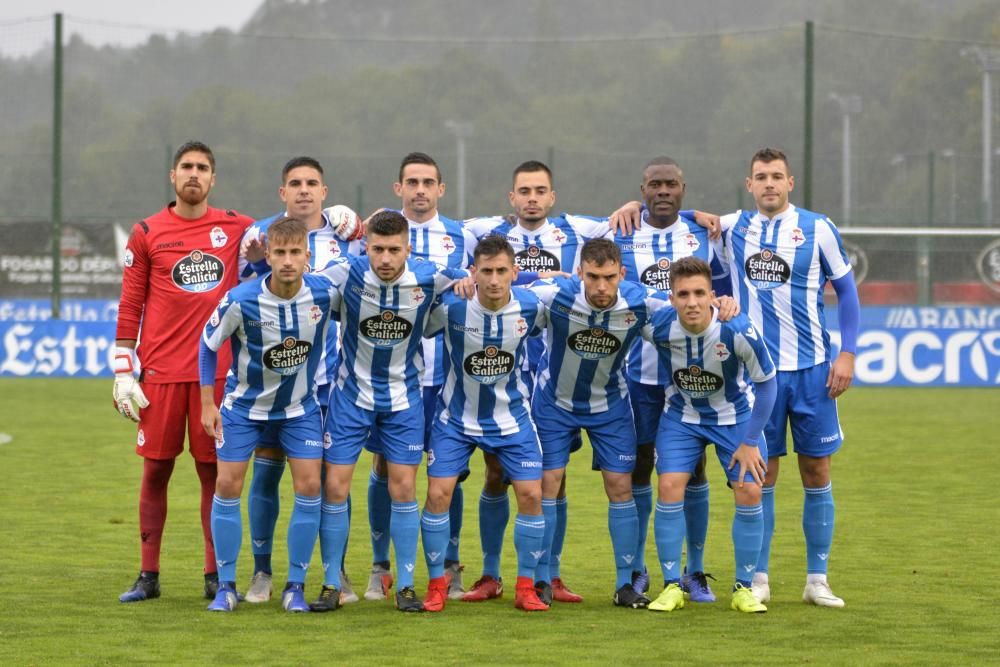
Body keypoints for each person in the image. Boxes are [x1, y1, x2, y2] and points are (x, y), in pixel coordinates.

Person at [717, 148, 859, 608]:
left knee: (817, 470)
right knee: (763, 474)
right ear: (749, 184)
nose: (770, 184)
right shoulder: (734, 226)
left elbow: (848, 293)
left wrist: (848, 354)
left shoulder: (818, 228)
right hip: (759, 374)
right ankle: (759, 577)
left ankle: (817, 578)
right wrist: (632, 209)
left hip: (815, 370)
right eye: (761, 177)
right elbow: (676, 214)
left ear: (790, 183)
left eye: (777, 176)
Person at [114, 141, 254, 603]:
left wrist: (348, 220)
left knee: (213, 474)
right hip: (160, 373)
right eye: (187, 167)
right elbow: (132, 302)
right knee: (156, 472)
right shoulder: (147, 232)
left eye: (203, 168)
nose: (194, 174)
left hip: (217, 377)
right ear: (172, 177)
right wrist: (122, 368)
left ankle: (215, 575)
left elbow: (291, 237)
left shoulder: (237, 228)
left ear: (213, 179)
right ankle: (148, 575)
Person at [316, 210, 467, 612]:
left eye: (393, 250)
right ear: (365, 246)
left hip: (404, 399)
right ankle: (332, 582)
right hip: (350, 398)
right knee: (334, 487)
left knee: (403, 489)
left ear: (408, 248)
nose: (385, 259)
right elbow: (298, 280)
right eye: (377, 249)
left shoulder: (430, 275)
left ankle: (404, 585)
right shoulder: (345, 272)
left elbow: (481, 275)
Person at [236, 157, 364, 606]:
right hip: (274, 382)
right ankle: (262, 571)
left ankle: (336, 571)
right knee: (267, 474)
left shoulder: (346, 238)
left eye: (312, 183)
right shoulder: (258, 237)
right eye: (295, 183)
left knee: (332, 480)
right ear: (282, 192)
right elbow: (245, 301)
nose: (304, 190)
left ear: (324, 193)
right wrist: (253, 265)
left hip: (331, 381)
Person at [199, 217, 334, 612]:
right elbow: (208, 346)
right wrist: (208, 402)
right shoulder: (241, 300)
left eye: (296, 252)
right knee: (227, 485)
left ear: (308, 256)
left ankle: (295, 585)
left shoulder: (325, 295)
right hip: (243, 409)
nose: (288, 261)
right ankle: (226, 586)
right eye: (280, 253)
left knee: (309, 487)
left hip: (299, 409)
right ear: (268, 256)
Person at [613, 156, 731, 601]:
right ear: (642, 190)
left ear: (683, 188)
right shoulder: (621, 232)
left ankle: (695, 571)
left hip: (692, 375)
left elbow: (725, 286)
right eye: (654, 185)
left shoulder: (705, 232)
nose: (663, 191)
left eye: (671, 185)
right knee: (641, 470)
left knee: (692, 472)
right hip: (639, 375)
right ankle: (641, 570)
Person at [363, 152, 479, 603]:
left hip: (449, 373)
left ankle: (448, 564)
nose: (420, 190)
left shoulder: (463, 235)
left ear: (441, 189)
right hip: (389, 375)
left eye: (428, 182)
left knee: (449, 471)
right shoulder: (378, 233)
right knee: (384, 467)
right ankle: (380, 566)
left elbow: (502, 264)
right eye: (411, 181)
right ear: (398, 188)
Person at [420, 235, 551, 612]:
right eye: (486, 271)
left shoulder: (531, 306)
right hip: (456, 419)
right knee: (438, 494)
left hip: (511, 418)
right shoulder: (453, 309)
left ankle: (526, 586)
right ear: (473, 272)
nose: (494, 280)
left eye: (501, 271)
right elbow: (420, 326)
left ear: (515, 272)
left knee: (531, 495)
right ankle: (436, 585)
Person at [640, 256, 777, 614]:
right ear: (671, 299)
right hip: (681, 416)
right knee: (669, 486)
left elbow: (767, 385)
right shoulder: (658, 325)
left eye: (700, 293)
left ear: (713, 295)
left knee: (749, 489)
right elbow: (623, 299)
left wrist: (750, 443)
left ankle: (743, 588)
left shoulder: (737, 329)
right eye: (683, 294)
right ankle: (672, 585)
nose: (692, 302)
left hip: (734, 418)